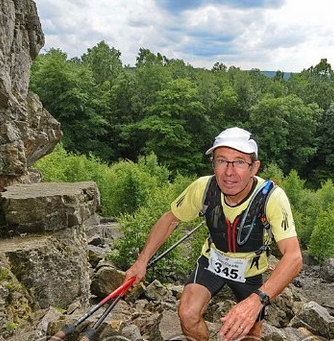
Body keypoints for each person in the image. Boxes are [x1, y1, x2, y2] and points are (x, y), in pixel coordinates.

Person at [124, 127, 303, 341]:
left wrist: (258, 299)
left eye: (239, 162)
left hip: (250, 269)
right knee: (187, 314)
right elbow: (170, 219)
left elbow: (294, 256)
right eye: (221, 161)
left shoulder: (272, 197)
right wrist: (141, 261)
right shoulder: (203, 188)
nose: (229, 172)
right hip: (213, 260)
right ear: (213, 165)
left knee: (249, 333)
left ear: (254, 167)